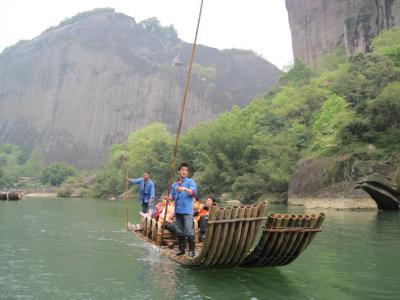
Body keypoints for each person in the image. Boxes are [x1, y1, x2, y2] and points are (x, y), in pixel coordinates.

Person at [165, 162, 197, 257]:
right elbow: (172, 197)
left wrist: (183, 188)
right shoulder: (174, 185)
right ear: (179, 171)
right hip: (178, 211)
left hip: (187, 211)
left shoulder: (190, 182)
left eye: (186, 170)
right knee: (180, 231)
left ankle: (191, 251)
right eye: (182, 170)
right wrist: (168, 198)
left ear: (187, 172)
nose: (184, 172)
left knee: (189, 230)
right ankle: (182, 249)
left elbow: (192, 192)